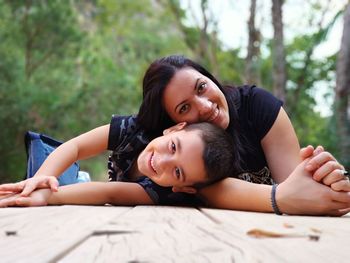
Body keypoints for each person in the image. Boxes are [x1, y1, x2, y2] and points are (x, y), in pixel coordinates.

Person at [136, 54, 350, 216]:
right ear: (176, 125)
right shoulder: (176, 156)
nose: (205, 106)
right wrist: (282, 197)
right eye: (184, 108)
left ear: (210, 78)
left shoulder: (257, 106)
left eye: (201, 87)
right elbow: (289, 197)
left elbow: (300, 192)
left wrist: (328, 178)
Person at [0, 120, 238, 207]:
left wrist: (46, 197)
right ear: (174, 128)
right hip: (64, 162)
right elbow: (76, 147)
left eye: (177, 171)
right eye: (174, 146)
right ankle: (68, 176)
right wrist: (37, 181)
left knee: (48, 192)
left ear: (183, 187)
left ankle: (75, 180)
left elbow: (109, 193)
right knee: (42, 155)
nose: (162, 162)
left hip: (97, 186)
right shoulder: (133, 130)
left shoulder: (162, 192)